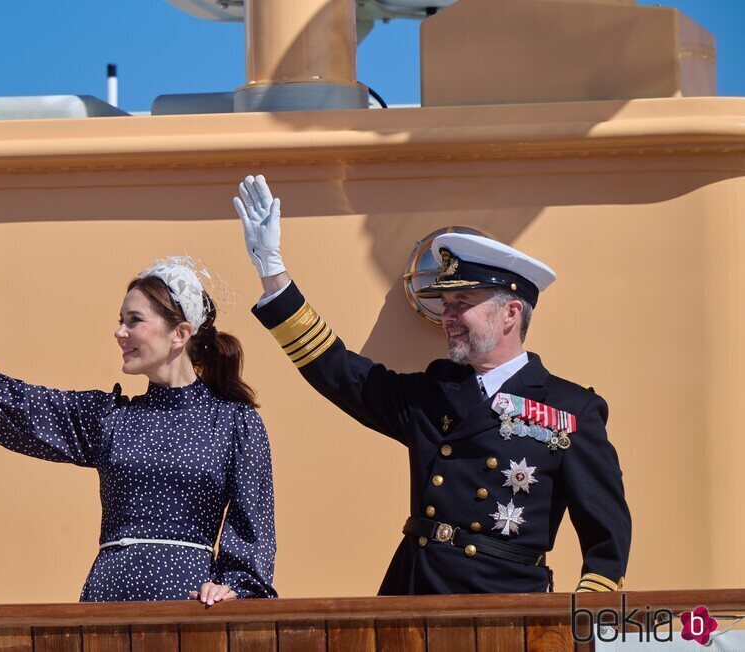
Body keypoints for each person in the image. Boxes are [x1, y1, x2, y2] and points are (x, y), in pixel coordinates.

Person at [233, 175, 630, 595]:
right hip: (414, 597)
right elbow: (342, 374)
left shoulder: (571, 409)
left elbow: (607, 540)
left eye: (463, 304)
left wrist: (575, 628)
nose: (448, 316)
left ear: (511, 313)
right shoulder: (433, 393)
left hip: (505, 608)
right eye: (445, 305)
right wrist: (274, 274)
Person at [0, 223, 277, 603]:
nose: (120, 332)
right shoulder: (109, 418)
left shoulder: (236, 423)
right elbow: (4, 403)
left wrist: (234, 589)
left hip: (190, 610)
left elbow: (252, 535)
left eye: (134, 321)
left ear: (180, 333)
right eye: (121, 321)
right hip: (108, 604)